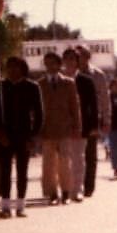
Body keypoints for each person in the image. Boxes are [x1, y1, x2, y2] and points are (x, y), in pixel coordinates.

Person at [0, 56, 43, 218]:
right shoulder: (0, 86)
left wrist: (33, 136)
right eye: (9, 67)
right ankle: (5, 206)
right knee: (5, 171)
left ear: (23, 68)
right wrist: (0, 132)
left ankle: (21, 205)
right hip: (5, 135)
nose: (12, 70)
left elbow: (40, 113)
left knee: (22, 171)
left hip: (24, 135)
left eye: (16, 67)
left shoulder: (32, 87)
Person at [35, 51, 82, 204]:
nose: (50, 66)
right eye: (47, 63)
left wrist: (77, 126)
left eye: (53, 63)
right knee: (48, 164)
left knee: (64, 162)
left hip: (65, 129)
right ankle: (52, 193)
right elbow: (35, 110)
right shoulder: (39, 84)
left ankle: (66, 192)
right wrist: (36, 130)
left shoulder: (68, 83)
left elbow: (75, 107)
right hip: (47, 130)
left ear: (59, 64)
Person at [62, 48, 95, 203]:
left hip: (81, 126)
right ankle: (65, 189)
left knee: (78, 158)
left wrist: (93, 126)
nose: (70, 62)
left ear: (78, 62)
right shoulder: (58, 80)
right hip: (60, 126)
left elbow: (92, 105)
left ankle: (77, 189)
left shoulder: (86, 81)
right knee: (63, 159)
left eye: (72, 59)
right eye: (67, 59)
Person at [77, 46, 110, 196]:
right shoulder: (70, 74)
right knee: (75, 153)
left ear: (87, 57)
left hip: (92, 118)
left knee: (90, 153)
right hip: (74, 117)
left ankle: (88, 186)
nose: (78, 59)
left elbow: (104, 99)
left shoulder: (98, 75)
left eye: (81, 56)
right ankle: (75, 184)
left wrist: (106, 119)